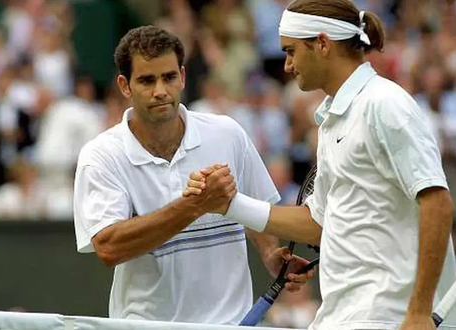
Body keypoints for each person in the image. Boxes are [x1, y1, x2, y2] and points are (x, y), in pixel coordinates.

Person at [184, 1, 456, 330]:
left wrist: (418, 311)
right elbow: (317, 222)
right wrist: (230, 204)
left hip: (387, 316)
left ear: (323, 44)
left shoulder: (385, 104)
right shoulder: (333, 118)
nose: (286, 65)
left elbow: (437, 203)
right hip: (342, 314)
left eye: (291, 51)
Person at [72, 25, 313, 325]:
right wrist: (195, 205)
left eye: (169, 77)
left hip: (229, 320)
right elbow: (109, 247)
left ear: (183, 77)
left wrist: (269, 254)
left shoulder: (228, 133)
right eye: (147, 80)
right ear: (125, 85)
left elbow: (256, 208)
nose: (160, 90)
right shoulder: (101, 155)